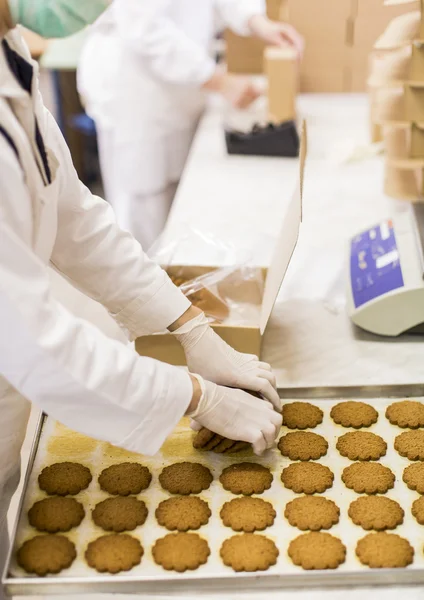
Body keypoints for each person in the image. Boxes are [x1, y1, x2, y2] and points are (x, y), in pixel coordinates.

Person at [0, 1, 282, 595]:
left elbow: (73, 215)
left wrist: (188, 326)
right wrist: (195, 396)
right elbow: (31, 339)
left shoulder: (10, 50)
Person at [78, 0, 303, 250]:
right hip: (136, 94)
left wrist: (257, 21)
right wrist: (217, 80)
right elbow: (143, 28)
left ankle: (173, 280)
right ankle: (144, 286)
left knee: (181, 207)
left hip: (182, 92)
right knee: (143, 211)